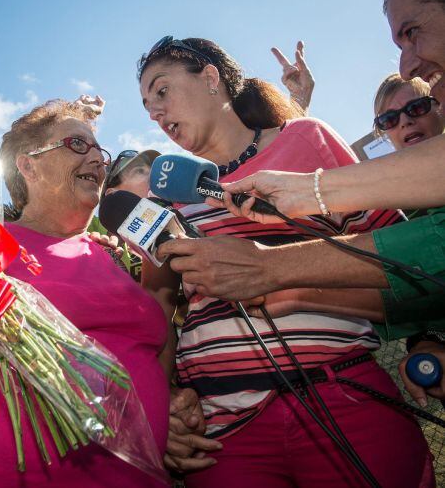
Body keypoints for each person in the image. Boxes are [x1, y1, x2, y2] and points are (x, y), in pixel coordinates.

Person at [138, 35, 433, 486]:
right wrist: (165, 402)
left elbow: (404, 250)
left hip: (344, 395)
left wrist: (425, 341)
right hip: (222, 433)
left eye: (162, 91)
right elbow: (156, 308)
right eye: (147, 107)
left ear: (212, 77)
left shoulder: (307, 138)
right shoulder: (165, 196)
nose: (156, 113)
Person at [0, 99, 220, 487]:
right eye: (78, 145)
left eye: (100, 150)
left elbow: (151, 352)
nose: (98, 159)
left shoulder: (117, 256)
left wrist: (169, 407)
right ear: (27, 165)